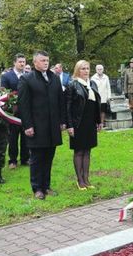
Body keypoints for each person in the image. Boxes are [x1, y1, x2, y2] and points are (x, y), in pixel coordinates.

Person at [18, 51, 66, 200]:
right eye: (42, 60)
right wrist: (27, 125)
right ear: (35, 62)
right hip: (36, 126)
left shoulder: (54, 78)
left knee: (49, 157)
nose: (46, 62)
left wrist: (62, 121)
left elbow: (61, 101)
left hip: (52, 126)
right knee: (37, 158)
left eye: (47, 60)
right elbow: (23, 105)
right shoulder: (27, 79)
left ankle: (46, 185)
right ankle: (37, 188)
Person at [66, 60, 101, 190]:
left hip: (90, 122)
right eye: (83, 69)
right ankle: (79, 180)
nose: (86, 71)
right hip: (78, 123)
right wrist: (69, 125)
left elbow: (96, 104)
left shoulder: (92, 84)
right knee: (79, 151)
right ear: (77, 70)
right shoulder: (72, 85)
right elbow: (67, 107)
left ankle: (86, 179)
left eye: (87, 68)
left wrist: (99, 121)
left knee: (88, 151)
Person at [1, 54, 30, 169]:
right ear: (14, 62)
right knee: (13, 136)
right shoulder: (7, 76)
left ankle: (25, 158)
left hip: (26, 110)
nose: (22, 64)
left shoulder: (29, 75)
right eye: (20, 62)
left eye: (24, 62)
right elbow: (4, 92)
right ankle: (12, 160)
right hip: (13, 111)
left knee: (26, 135)